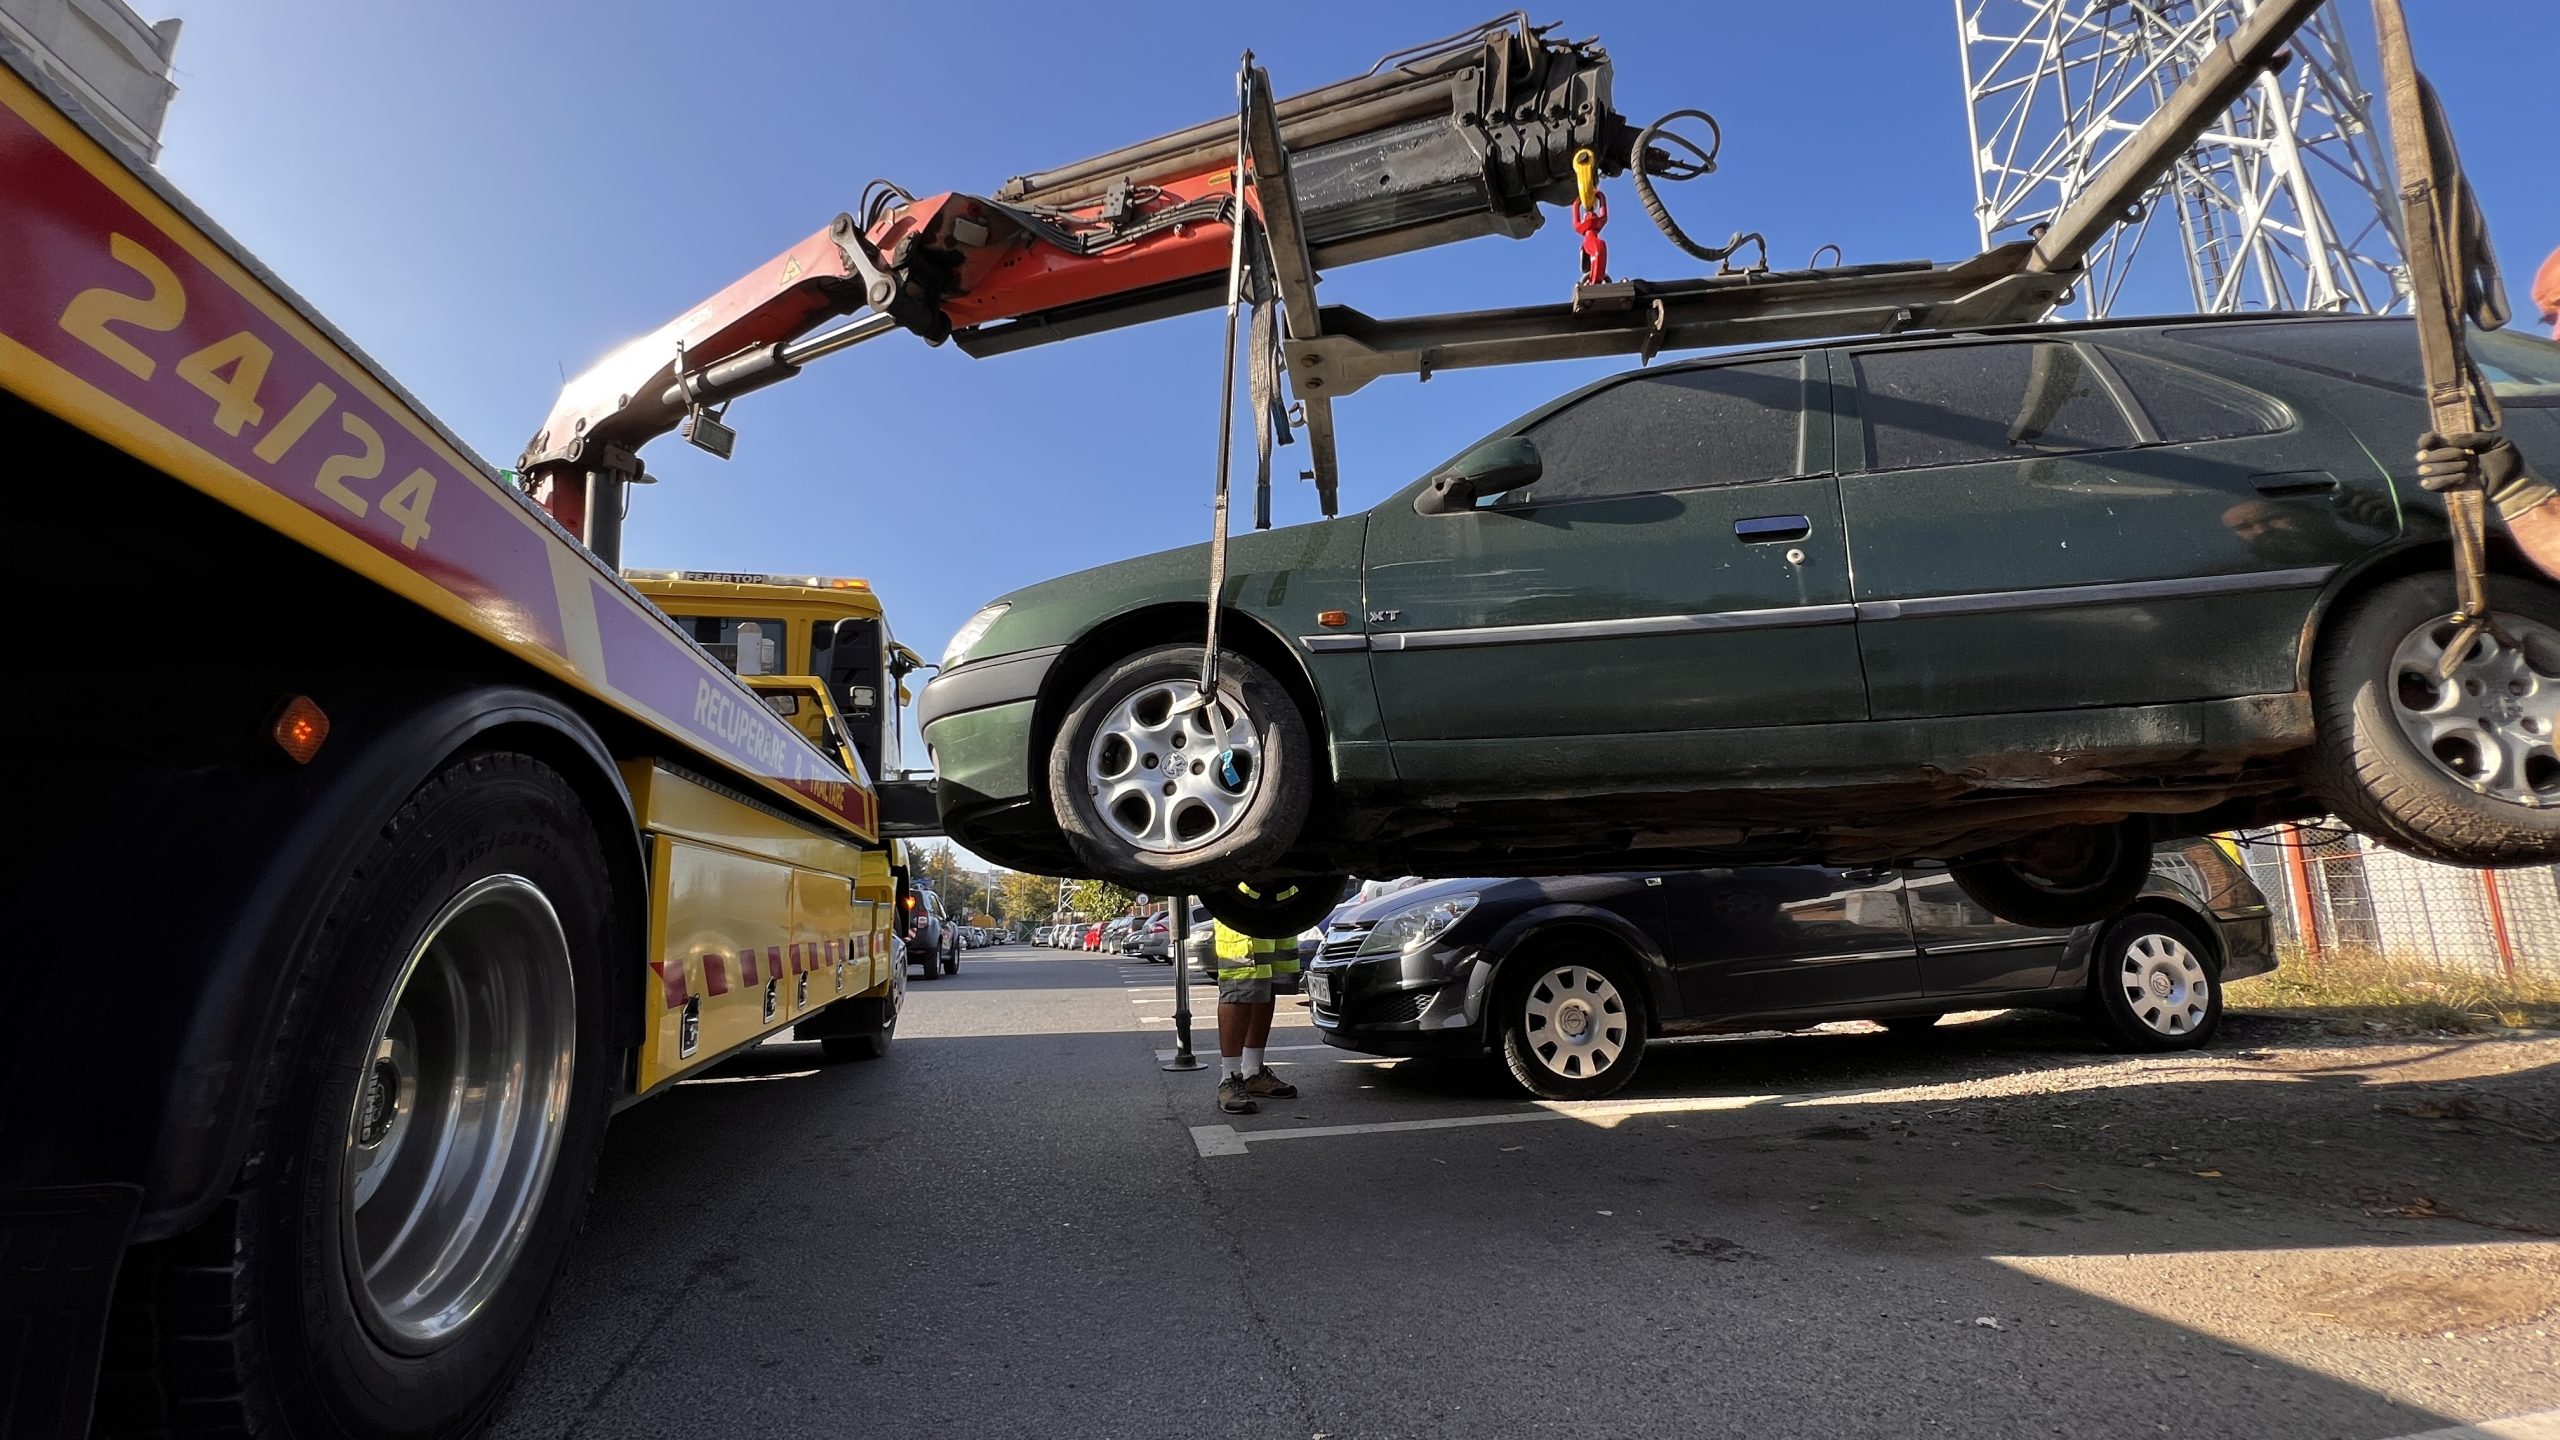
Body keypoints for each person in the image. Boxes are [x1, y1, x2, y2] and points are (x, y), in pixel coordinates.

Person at [1210, 893, 1302, 1115]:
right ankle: (1229, 1079)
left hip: (1282, 899)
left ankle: (1253, 1072)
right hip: (1241, 897)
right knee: (1240, 984)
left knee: (1266, 984)